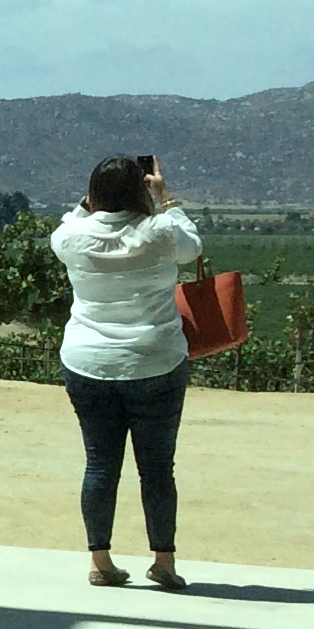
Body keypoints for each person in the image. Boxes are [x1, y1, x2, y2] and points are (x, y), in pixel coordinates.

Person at [51, 154, 201, 591]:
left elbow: (65, 227)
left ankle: (101, 560)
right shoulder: (160, 232)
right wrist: (164, 195)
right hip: (155, 360)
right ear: (141, 190)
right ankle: (164, 562)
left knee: (100, 464)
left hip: (88, 362)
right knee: (157, 468)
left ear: (93, 192)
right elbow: (193, 245)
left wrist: (87, 202)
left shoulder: (72, 237)